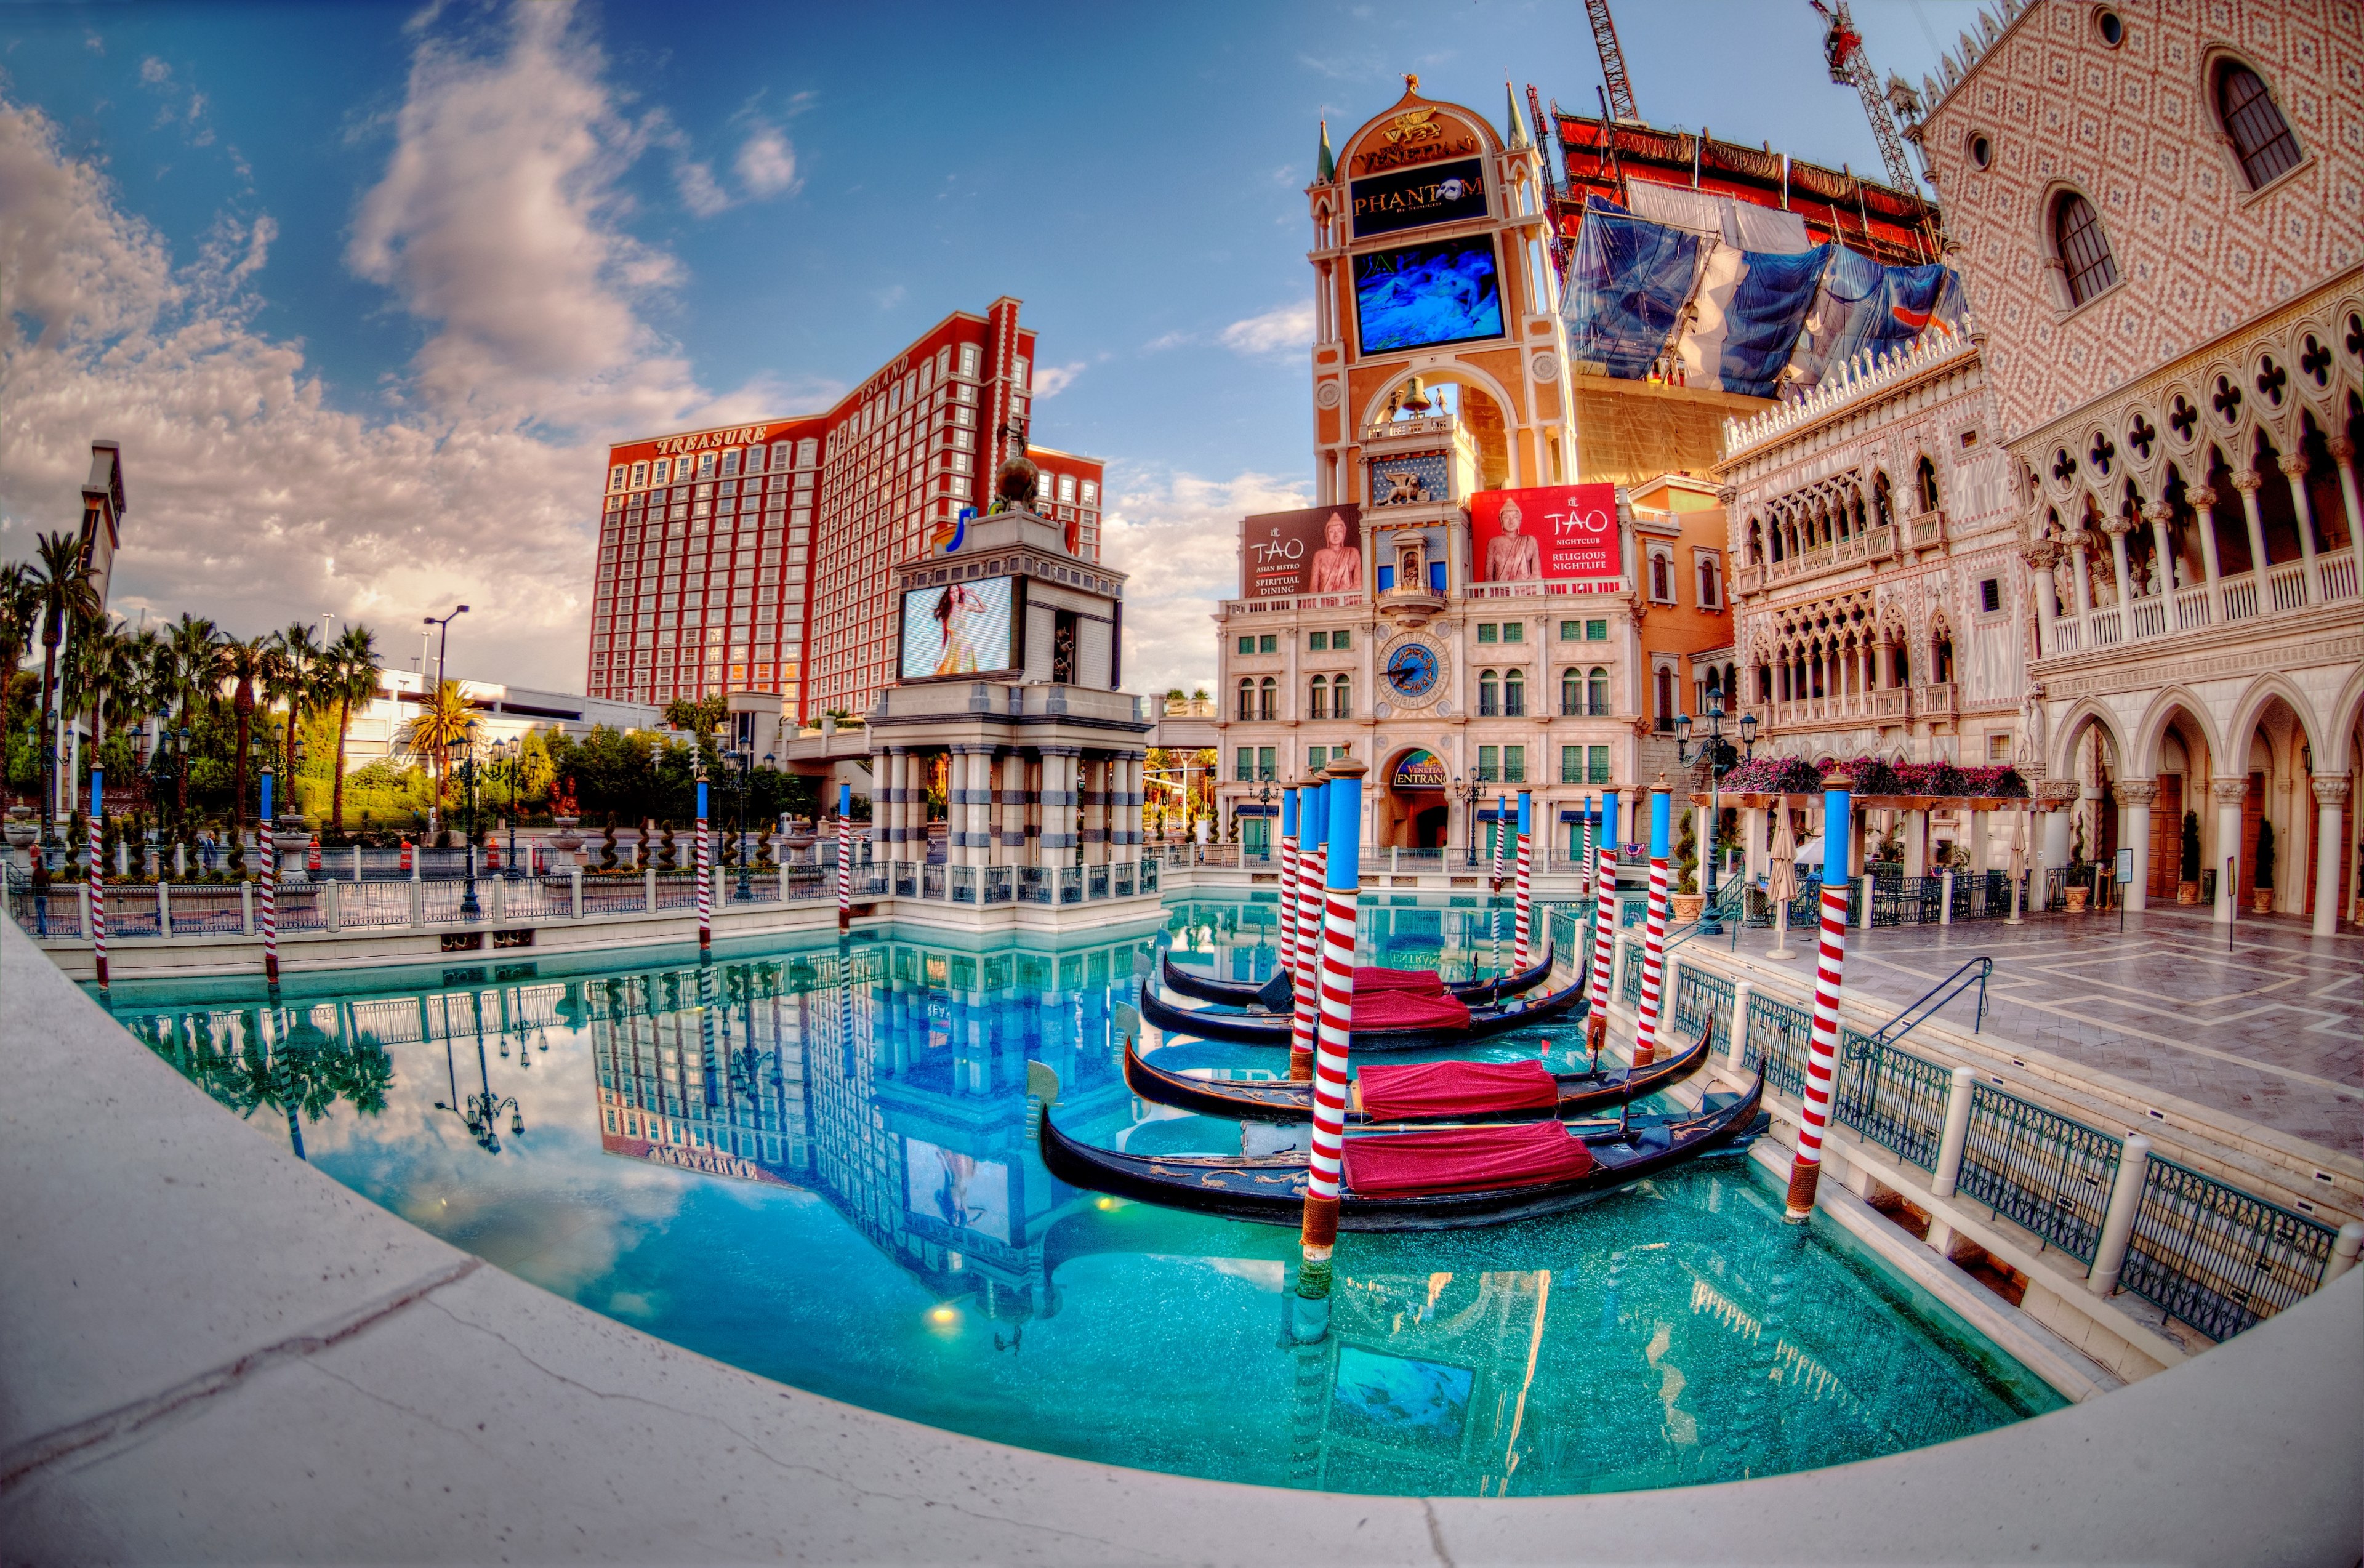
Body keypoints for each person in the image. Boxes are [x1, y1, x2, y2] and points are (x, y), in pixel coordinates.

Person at [930, 582, 987, 675]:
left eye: (957, 591)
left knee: (962, 674)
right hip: (953, 650)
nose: (955, 594)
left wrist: (974, 595)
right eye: (952, 592)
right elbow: (945, 639)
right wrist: (940, 657)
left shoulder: (964, 606)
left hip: (965, 646)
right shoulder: (946, 616)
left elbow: (984, 609)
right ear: (948, 595)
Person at [1484, 496, 1542, 582]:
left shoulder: (1530, 541)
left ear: (1520, 520)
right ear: (1501, 521)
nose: (1511, 521)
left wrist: (1520, 589)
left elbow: (1537, 575)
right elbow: (1488, 578)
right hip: (1501, 591)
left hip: (1526, 589)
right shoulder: (1493, 543)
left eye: (1515, 517)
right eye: (1506, 518)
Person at [1308, 511, 1361, 593]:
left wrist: (1344, 599)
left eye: (1339, 531)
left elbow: (1358, 585)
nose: (1336, 535)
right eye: (1332, 531)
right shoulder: (1319, 556)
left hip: (1348, 600)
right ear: (1327, 535)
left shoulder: (1353, 553)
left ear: (1344, 533)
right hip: (1324, 601)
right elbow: (1313, 588)